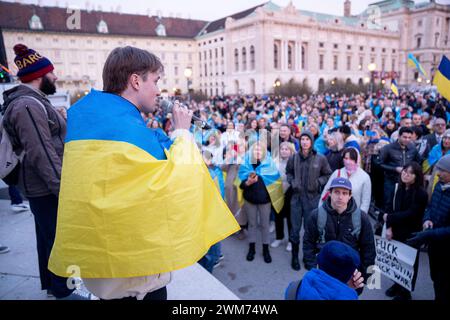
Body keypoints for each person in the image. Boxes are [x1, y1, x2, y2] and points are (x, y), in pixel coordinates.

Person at [48, 46, 239, 300]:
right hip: (136, 280)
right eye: (156, 80)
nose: (159, 90)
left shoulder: (87, 116)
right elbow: (178, 183)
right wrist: (182, 132)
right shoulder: (130, 128)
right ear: (136, 81)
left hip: (103, 271)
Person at [2, 44, 83, 299]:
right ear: (39, 76)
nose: (56, 77)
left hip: (42, 186)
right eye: (52, 72)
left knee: (48, 238)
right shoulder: (28, 105)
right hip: (46, 187)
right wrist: (63, 190)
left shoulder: (32, 102)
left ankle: (53, 288)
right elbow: (42, 152)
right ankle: (65, 292)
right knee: (62, 242)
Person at [303, 177, 376, 295]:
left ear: (350, 195)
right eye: (336, 192)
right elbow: (308, 244)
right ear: (330, 193)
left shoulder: (361, 218)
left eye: (344, 193)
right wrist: (313, 267)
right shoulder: (316, 215)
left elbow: (369, 250)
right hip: (323, 273)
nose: (340, 197)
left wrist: (362, 277)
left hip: (350, 277)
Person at [380, 162, 428, 300]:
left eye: (410, 173)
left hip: (411, 233)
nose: (405, 174)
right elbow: (388, 206)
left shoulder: (421, 194)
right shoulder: (398, 187)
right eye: (404, 171)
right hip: (396, 230)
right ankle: (397, 284)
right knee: (396, 261)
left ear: (416, 176)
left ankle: (405, 292)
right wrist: (388, 226)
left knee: (408, 263)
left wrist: (389, 217)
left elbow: (411, 213)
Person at [286, 130, 332, 271]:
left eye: (307, 139)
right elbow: (288, 172)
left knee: (309, 230)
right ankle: (294, 256)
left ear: (312, 142)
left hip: (312, 199)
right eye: (303, 139)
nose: (305, 141)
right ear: (300, 141)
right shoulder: (293, 158)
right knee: (294, 229)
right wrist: (293, 182)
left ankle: (307, 257)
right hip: (296, 198)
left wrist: (318, 182)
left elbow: (328, 174)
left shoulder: (320, 158)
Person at [407, 155, 450, 301]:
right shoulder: (439, 186)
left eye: (442, 171)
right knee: (435, 276)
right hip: (434, 244)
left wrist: (430, 234)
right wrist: (427, 220)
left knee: (443, 281)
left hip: (446, 247)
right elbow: (430, 207)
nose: (438, 174)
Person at [285, 241, 363, 300]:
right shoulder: (350, 297)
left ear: (318, 264)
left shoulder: (294, 288)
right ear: (350, 276)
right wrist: (348, 289)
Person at [379, 127, 421, 211]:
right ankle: (384, 221)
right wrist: (395, 169)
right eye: (404, 137)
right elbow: (380, 164)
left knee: (403, 204)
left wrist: (411, 171)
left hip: (407, 182)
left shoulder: (412, 148)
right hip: (391, 180)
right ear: (399, 136)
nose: (407, 140)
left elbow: (418, 162)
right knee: (389, 203)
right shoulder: (388, 148)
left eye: (409, 137)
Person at [320, 148, 371, 214]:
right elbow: (326, 191)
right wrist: (321, 211)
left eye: (351, 159)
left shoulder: (365, 177)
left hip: (353, 216)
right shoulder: (337, 173)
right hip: (334, 215)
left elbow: (365, 201)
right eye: (346, 158)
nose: (348, 161)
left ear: (357, 160)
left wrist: (360, 217)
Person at [271, 142, 295, 251]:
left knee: (291, 218)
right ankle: (279, 237)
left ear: (291, 151)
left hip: (290, 192)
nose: (284, 151)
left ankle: (290, 240)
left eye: (287, 149)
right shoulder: (275, 162)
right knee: (278, 216)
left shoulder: (294, 162)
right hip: (277, 192)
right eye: (282, 149)